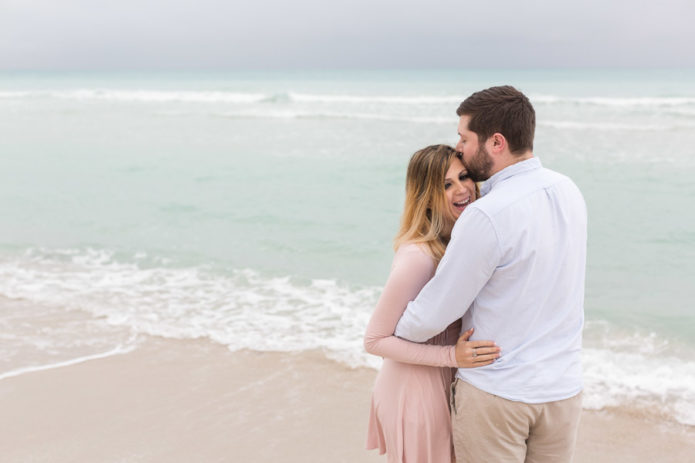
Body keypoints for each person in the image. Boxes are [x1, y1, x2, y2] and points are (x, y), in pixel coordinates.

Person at [394, 86, 587, 463]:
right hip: (563, 390)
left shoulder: (488, 215)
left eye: (465, 137)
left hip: (499, 395)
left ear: (495, 142)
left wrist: (394, 332)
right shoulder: (568, 190)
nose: (460, 147)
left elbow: (432, 314)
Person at [364, 144, 501, 463]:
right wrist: (451, 355)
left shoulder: (460, 241)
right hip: (414, 392)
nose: (463, 189)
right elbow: (374, 340)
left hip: (442, 383)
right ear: (425, 196)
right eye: (446, 184)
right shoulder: (419, 256)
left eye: (464, 177)